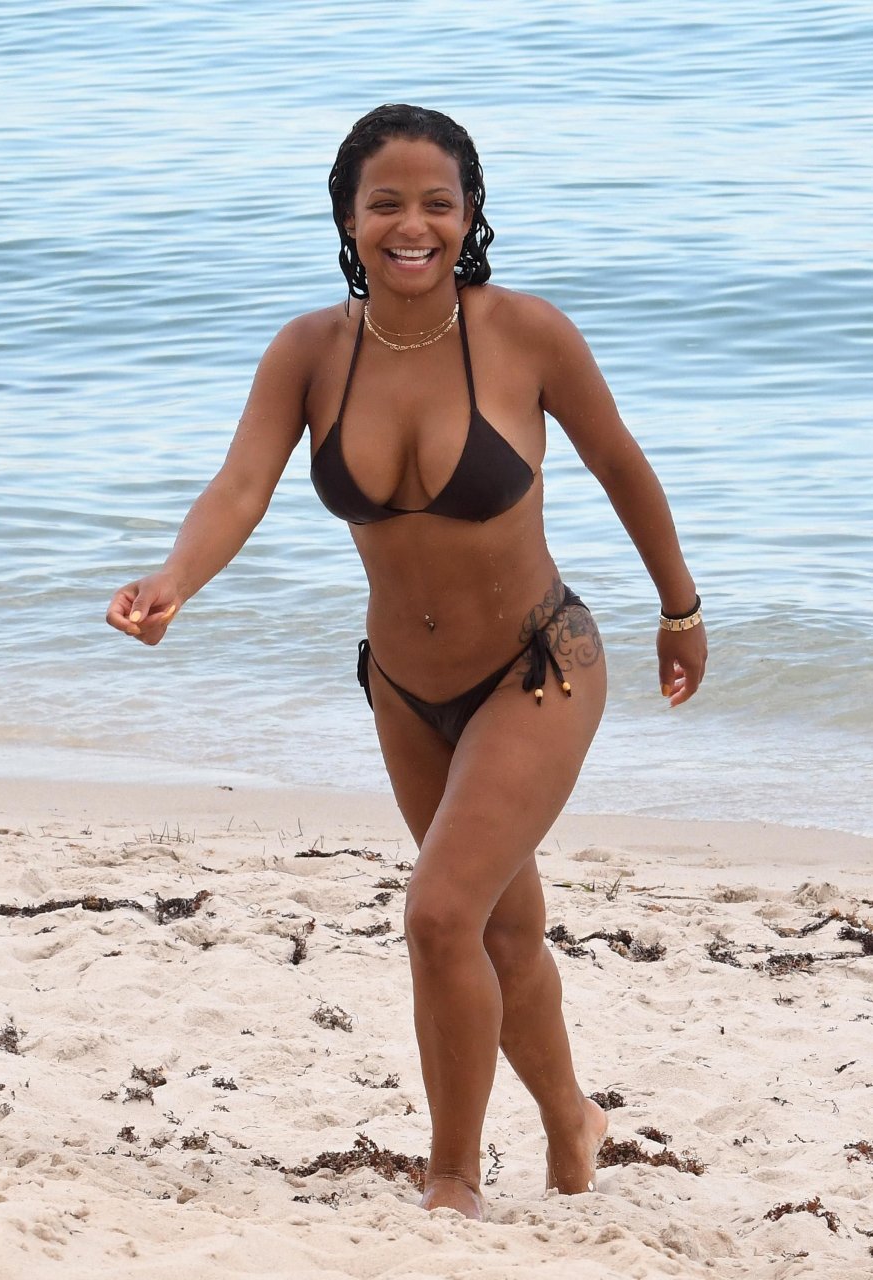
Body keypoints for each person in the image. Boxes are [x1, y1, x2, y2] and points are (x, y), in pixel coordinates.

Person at [106, 103, 707, 1221]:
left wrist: (681, 608)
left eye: (438, 202)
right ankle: (571, 1118)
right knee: (500, 931)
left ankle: (452, 1180)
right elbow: (240, 486)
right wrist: (175, 577)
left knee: (437, 915)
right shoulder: (307, 353)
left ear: (470, 215)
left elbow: (621, 464)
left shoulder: (527, 334)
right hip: (401, 690)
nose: (412, 225)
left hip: (538, 667)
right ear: (348, 216)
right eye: (386, 203)